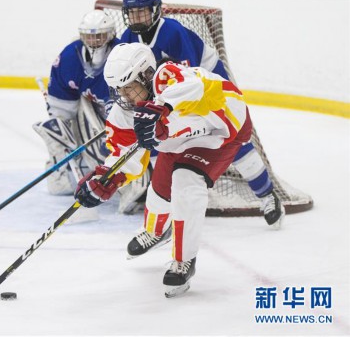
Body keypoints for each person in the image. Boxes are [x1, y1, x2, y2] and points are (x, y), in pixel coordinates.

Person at [75, 43, 264, 297]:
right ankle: (155, 231)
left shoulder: (170, 77)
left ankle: (183, 260)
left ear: (146, 75)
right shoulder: (125, 110)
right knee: (160, 188)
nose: (125, 97)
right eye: (119, 90)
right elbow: (123, 152)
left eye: (129, 88)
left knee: (186, 182)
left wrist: (164, 109)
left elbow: (197, 89)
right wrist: (107, 178)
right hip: (179, 141)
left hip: (221, 132)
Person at [120, 0, 284, 235]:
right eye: (131, 12)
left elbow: (191, 81)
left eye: (141, 11)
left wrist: (160, 106)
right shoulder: (128, 38)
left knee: (230, 139)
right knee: (158, 143)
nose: (136, 17)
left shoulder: (173, 33)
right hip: (168, 94)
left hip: (208, 85)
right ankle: (167, 207)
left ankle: (266, 196)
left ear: (155, 10)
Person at [33, 10, 150, 215]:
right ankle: (65, 168)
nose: (94, 41)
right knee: (58, 127)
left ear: (111, 34)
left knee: (131, 145)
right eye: (89, 35)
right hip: (93, 112)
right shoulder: (69, 57)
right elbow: (61, 105)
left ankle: (135, 184)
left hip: (123, 114)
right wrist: (61, 130)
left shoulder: (120, 57)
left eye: (99, 35)